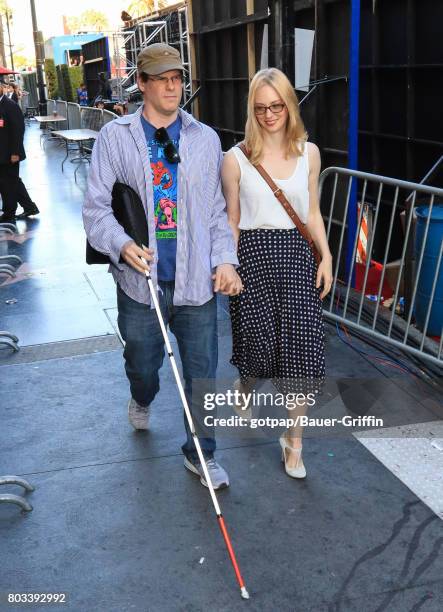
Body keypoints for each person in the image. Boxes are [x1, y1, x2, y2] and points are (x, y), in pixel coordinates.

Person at [83, 43, 242, 489]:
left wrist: (226, 260)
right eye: (162, 78)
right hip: (141, 284)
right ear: (142, 84)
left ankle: (202, 453)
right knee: (142, 362)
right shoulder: (116, 138)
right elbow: (96, 210)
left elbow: (215, 211)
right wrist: (122, 243)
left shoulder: (204, 139)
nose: (173, 85)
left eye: (177, 77)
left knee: (202, 373)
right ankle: (141, 395)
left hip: (196, 282)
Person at [221, 67, 333, 479]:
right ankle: (244, 387)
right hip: (252, 256)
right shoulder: (234, 160)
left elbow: (313, 212)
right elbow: (232, 220)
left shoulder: (310, 152)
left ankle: (294, 442)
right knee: (259, 353)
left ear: (289, 105)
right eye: (261, 107)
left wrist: (326, 257)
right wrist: (227, 263)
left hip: (297, 257)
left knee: (301, 352)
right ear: (252, 109)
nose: (270, 115)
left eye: (277, 106)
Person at [0, 80, 39, 222]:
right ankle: (29, 207)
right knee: (10, 182)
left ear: (2, 88)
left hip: (10, 153)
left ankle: (9, 212)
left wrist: (15, 152)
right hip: (1, 153)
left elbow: (18, 130)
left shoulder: (10, 105)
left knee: (8, 182)